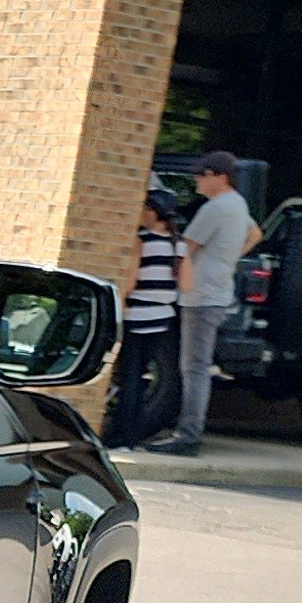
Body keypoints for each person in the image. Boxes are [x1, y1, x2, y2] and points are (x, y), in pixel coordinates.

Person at [160, 152, 255, 455]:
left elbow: (185, 249)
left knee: (195, 368)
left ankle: (188, 436)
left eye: (202, 175)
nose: (198, 180)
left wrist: (179, 280)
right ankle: (187, 433)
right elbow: (256, 233)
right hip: (218, 292)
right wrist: (227, 260)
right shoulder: (238, 205)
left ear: (219, 176)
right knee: (197, 366)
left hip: (201, 296)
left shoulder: (215, 208)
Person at [109, 191, 182, 446]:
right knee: (140, 377)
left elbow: (130, 281)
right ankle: (134, 435)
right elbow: (183, 282)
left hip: (137, 315)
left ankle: (121, 435)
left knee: (128, 376)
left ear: (153, 212)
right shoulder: (177, 244)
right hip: (162, 317)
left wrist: (120, 300)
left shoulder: (141, 241)